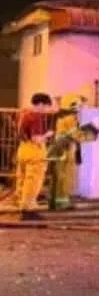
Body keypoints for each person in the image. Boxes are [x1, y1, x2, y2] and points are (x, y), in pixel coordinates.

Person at [15, 92, 54, 220]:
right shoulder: (35, 116)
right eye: (47, 106)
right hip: (34, 151)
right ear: (41, 104)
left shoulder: (23, 113)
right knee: (33, 181)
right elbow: (36, 139)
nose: (47, 110)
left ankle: (21, 203)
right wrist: (48, 135)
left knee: (22, 178)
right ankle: (27, 209)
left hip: (23, 148)